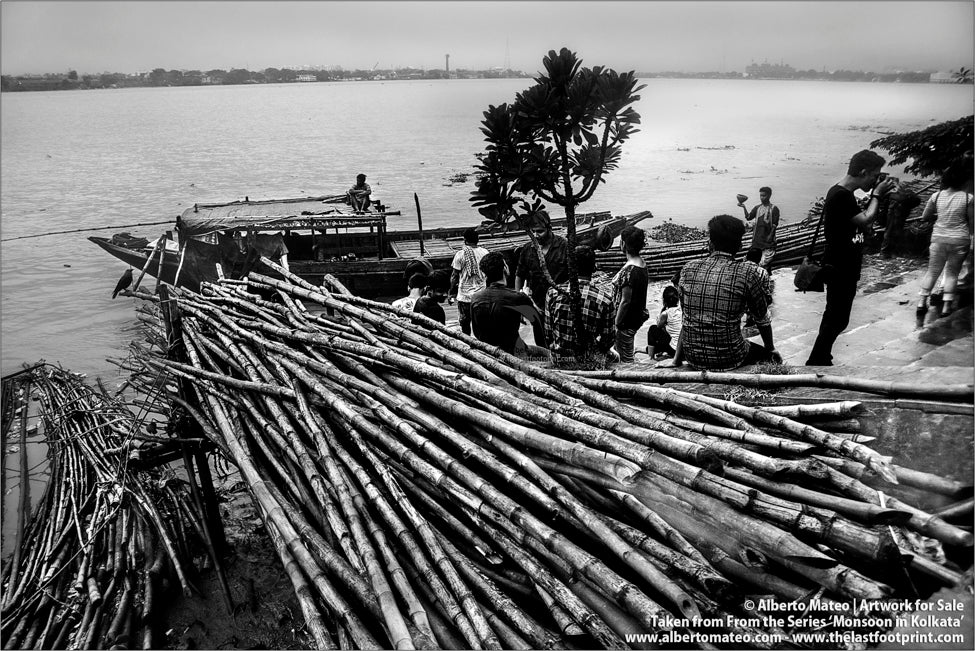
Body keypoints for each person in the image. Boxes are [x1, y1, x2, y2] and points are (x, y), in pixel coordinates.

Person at [805, 149, 896, 366]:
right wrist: (877, 194)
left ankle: (822, 356)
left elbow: (855, 222)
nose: (875, 179)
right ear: (863, 172)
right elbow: (866, 220)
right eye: (874, 175)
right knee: (836, 316)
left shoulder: (842, 193)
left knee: (836, 316)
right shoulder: (841, 195)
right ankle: (818, 359)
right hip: (840, 264)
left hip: (843, 263)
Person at [658, 214, 781, 371]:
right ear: (739, 246)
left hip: (692, 356)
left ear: (710, 243)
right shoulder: (748, 273)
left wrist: (676, 360)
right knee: (771, 358)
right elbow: (762, 318)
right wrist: (770, 348)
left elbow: (687, 318)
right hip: (731, 356)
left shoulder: (688, 269)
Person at [915, 163, 974, 319]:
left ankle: (922, 302)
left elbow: (925, 217)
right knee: (952, 273)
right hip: (960, 240)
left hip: (939, 239)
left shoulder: (936, 196)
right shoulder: (968, 198)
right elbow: (972, 221)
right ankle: (947, 306)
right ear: (964, 181)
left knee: (932, 272)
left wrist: (941, 215)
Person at [544, 245, 616, 364]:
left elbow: (548, 335)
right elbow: (607, 341)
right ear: (594, 268)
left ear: (569, 267)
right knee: (616, 356)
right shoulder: (605, 300)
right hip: (589, 361)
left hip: (559, 359)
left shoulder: (553, 293)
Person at [471, 251, 548, 359]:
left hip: (487, 351)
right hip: (513, 351)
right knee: (548, 354)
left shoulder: (475, 297)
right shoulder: (517, 297)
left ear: (484, 274)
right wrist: (527, 298)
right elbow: (538, 321)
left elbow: (476, 331)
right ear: (505, 269)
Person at [515, 211, 570, 347]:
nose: (535, 235)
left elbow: (573, 276)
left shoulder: (564, 246)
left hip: (561, 305)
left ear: (549, 228)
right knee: (540, 341)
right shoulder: (528, 249)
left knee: (562, 342)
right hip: (537, 304)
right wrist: (518, 303)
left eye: (539, 231)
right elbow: (519, 275)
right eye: (532, 231)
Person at [612, 226, 650, 363]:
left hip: (625, 322)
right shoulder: (642, 264)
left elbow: (625, 301)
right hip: (635, 317)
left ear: (623, 244)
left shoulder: (629, 271)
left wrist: (616, 324)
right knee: (626, 351)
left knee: (624, 358)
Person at [449, 228, 489, 335]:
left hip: (464, 297)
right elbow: (490, 274)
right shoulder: (485, 253)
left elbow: (454, 276)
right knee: (481, 324)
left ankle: (468, 345)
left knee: (465, 324)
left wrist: (451, 293)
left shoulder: (460, 254)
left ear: (465, 240)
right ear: (478, 240)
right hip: (481, 295)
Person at [738, 186, 779, 273]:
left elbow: (775, 225)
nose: (762, 198)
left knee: (765, 263)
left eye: (764, 196)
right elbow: (749, 217)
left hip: (767, 240)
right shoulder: (757, 208)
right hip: (757, 239)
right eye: (760, 196)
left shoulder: (774, 209)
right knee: (752, 262)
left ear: (769, 196)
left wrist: (770, 236)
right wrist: (744, 207)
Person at [879, 179, 922, 258]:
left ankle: (885, 252)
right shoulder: (901, 189)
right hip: (903, 207)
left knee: (890, 230)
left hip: (897, 208)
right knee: (896, 230)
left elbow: (883, 206)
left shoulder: (889, 191)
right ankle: (893, 252)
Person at [646, 285, 682, 360]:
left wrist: (662, 311)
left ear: (664, 301)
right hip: (682, 349)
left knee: (652, 328)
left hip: (674, 349)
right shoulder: (681, 310)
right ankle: (656, 352)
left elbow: (658, 326)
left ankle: (651, 358)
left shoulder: (665, 314)